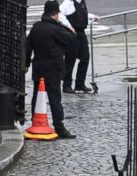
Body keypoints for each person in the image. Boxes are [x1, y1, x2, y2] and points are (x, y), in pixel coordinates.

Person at [26, 1, 77, 139]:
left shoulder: (36, 27)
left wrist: (26, 64)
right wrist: (60, 23)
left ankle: (35, 122)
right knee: (55, 99)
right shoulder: (56, 29)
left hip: (38, 68)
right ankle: (59, 127)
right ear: (55, 14)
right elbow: (72, 37)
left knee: (36, 97)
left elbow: (28, 46)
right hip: (53, 70)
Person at [60, 0, 92, 94]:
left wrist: (92, 17)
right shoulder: (68, 2)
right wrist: (68, 26)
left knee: (85, 58)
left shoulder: (81, 2)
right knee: (70, 60)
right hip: (71, 33)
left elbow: (81, 14)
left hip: (81, 33)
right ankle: (67, 85)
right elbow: (59, 14)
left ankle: (80, 84)